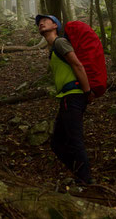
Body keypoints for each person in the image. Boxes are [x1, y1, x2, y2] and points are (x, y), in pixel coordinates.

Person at [36, 14, 93, 185]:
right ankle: (81, 175)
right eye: (39, 22)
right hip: (67, 97)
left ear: (55, 25)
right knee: (57, 143)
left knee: (74, 139)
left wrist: (87, 91)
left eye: (46, 20)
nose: (41, 23)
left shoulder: (60, 43)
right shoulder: (53, 48)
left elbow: (77, 65)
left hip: (74, 95)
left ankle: (86, 181)